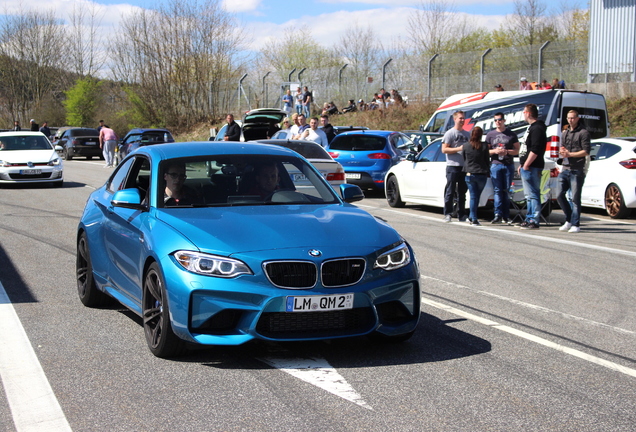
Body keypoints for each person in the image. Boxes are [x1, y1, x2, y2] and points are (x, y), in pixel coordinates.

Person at [557, 110, 591, 233]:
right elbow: (562, 148)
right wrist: (562, 151)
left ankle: (575, 223)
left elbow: (586, 151)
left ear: (577, 118)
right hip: (565, 168)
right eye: (569, 118)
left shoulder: (583, 133)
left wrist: (570, 154)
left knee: (575, 198)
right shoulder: (565, 133)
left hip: (577, 169)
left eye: (573, 118)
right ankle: (569, 219)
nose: (570, 120)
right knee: (559, 195)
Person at [486, 112, 520, 224]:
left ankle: (506, 215)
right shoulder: (490, 135)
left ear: (504, 120)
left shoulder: (511, 134)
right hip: (496, 164)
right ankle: (497, 214)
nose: (498, 122)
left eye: (500, 119)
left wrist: (507, 151)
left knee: (506, 190)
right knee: (497, 190)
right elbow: (486, 151)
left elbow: (517, 150)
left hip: (508, 164)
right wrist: (495, 151)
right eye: (495, 120)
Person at [518, 103, 546, 229]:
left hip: (533, 166)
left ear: (529, 113)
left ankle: (534, 219)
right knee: (528, 195)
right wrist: (522, 164)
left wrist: (527, 164)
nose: (523, 114)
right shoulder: (531, 128)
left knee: (534, 194)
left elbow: (535, 149)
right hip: (527, 166)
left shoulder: (537, 128)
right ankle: (528, 217)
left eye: (524, 112)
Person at [441, 111, 469, 223]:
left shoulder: (468, 134)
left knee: (462, 192)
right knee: (450, 191)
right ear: (455, 119)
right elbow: (444, 149)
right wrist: (458, 149)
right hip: (452, 166)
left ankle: (462, 214)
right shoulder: (450, 133)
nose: (462, 120)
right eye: (460, 118)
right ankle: (448, 213)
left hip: (464, 167)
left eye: (463, 118)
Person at [462, 127, 490, 226]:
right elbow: (487, 160)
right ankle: (473, 217)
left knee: (473, 196)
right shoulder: (484, 146)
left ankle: (472, 216)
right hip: (481, 174)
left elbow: (464, 159)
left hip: (470, 173)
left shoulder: (465, 146)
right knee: (476, 196)